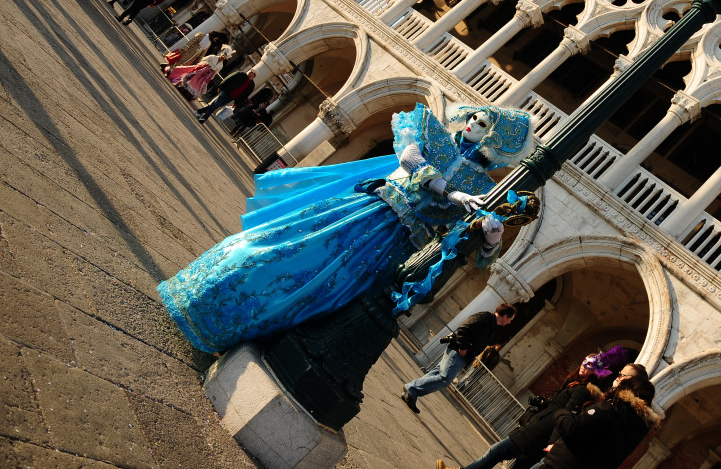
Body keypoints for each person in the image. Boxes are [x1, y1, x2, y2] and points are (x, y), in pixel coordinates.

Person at [157, 103, 533, 353]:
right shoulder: (434, 138)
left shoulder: (484, 188)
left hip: (392, 246)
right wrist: (450, 193)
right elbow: (409, 157)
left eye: (485, 127)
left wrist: (491, 238)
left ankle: (250, 331)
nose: (473, 125)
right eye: (476, 118)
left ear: (496, 144)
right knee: (291, 250)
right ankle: (209, 298)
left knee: (326, 292)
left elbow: (478, 260)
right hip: (364, 212)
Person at [438, 346, 631, 469]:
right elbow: (558, 407)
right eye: (583, 362)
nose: (583, 366)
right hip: (537, 432)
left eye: (589, 366)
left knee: (495, 452)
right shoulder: (575, 385)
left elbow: (567, 415)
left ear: (596, 371)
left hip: (537, 434)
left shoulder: (582, 391)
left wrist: (553, 441)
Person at [525, 365, 659, 469]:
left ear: (628, 382)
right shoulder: (638, 427)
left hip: (558, 464)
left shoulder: (609, 410)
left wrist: (561, 412)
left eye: (621, 375)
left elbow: (571, 427)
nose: (617, 377)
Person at [403, 304, 516, 415]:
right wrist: (462, 347)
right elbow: (463, 328)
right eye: (510, 319)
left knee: (436, 373)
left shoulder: (492, 326)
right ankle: (411, 389)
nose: (509, 322)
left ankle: (409, 395)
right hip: (457, 352)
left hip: (462, 356)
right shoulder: (485, 317)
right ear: (505, 316)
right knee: (445, 379)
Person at [166, 44, 233, 98]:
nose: (222, 57)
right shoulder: (213, 57)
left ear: (224, 59)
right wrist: (205, 65)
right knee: (190, 76)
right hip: (202, 69)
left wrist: (210, 77)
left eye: (223, 57)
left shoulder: (221, 65)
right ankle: (179, 84)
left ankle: (186, 92)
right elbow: (204, 59)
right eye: (222, 55)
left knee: (197, 83)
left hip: (206, 75)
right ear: (221, 54)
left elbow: (216, 72)